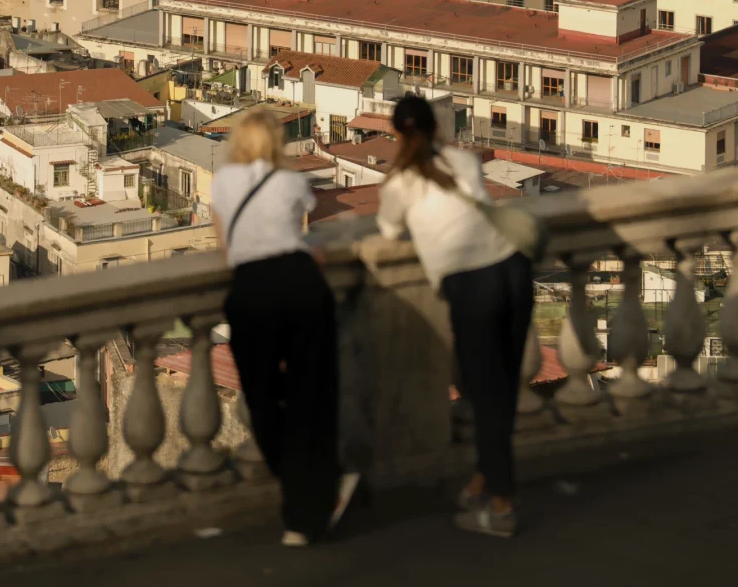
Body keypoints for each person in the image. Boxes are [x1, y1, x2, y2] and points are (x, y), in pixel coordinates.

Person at [376, 93, 533, 539]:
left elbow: (389, 231)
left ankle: (501, 505)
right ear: (437, 127)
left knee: (486, 397)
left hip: (472, 284)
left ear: (395, 133)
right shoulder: (464, 162)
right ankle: (486, 479)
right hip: (513, 271)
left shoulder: (399, 185)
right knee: (497, 388)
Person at [212, 106, 356, 546]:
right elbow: (296, 229)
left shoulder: (222, 183)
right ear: (277, 143)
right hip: (299, 282)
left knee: (260, 398)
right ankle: (312, 505)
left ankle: (303, 500)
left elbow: (227, 248)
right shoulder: (293, 182)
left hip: (251, 289)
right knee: (312, 394)